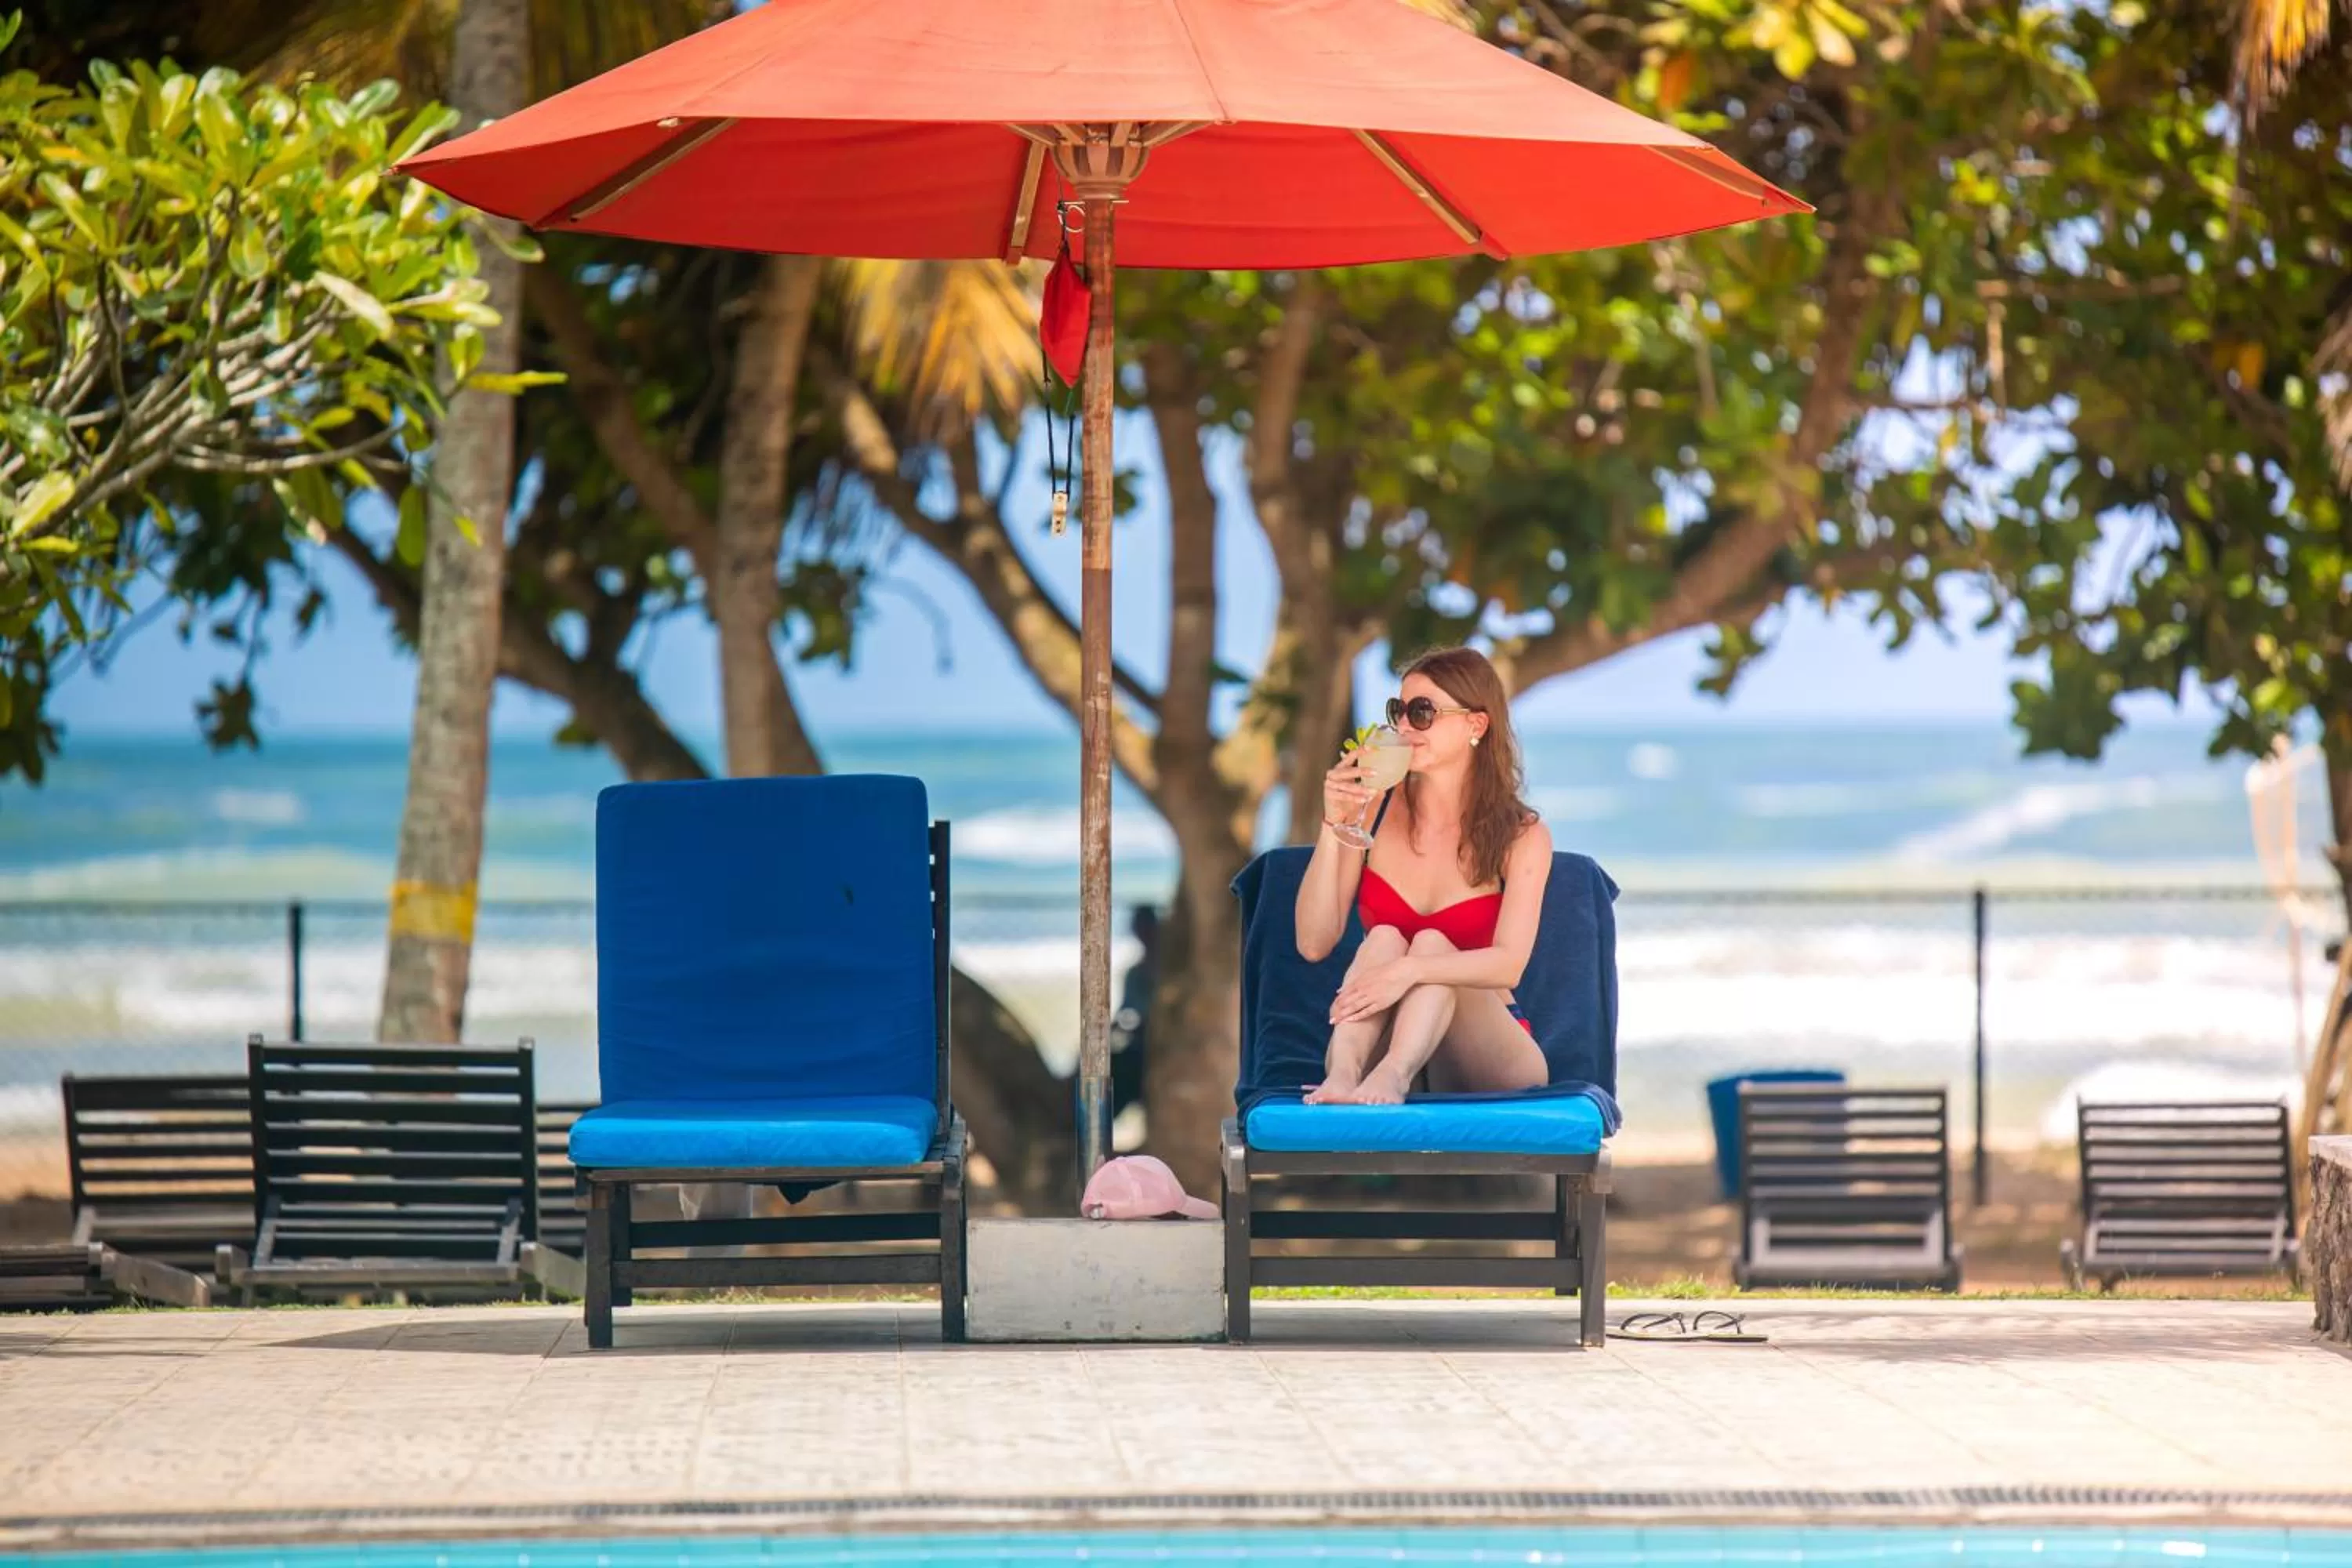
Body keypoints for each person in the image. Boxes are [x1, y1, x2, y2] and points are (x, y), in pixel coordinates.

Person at [1295, 645, 1552, 1105]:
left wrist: (1409, 971)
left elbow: (1509, 963)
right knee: (1383, 938)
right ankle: (1344, 1075)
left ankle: (1394, 1075)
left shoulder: (1521, 835)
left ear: (1476, 725)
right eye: (1398, 712)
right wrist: (1333, 823)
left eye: (1422, 712)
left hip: (1484, 1054)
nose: (1404, 727)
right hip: (1381, 1045)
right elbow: (1313, 943)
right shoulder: (1374, 809)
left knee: (1432, 944)